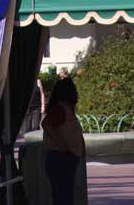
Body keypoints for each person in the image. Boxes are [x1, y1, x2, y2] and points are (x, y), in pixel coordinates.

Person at [41, 76, 84, 205]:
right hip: (60, 158)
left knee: (65, 196)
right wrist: (63, 145)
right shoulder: (60, 109)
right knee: (62, 197)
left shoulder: (66, 109)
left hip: (66, 158)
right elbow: (47, 125)